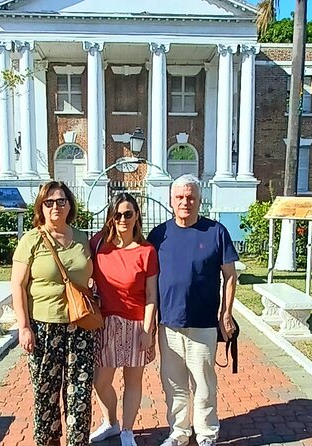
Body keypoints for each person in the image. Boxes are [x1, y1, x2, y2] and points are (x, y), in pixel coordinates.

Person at [147, 174, 239, 446]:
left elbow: (230, 276)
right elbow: (148, 279)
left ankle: (207, 432)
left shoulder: (216, 232)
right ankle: (179, 432)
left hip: (203, 322)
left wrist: (226, 313)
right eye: (180, 197)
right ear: (171, 200)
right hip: (169, 322)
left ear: (199, 200)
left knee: (204, 382)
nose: (185, 202)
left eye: (190, 197)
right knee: (173, 382)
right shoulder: (159, 235)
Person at [10, 181, 95, 446]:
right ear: (41, 207)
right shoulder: (31, 240)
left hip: (80, 325)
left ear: (70, 205)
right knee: (45, 393)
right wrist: (24, 327)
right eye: (49, 202)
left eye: (61, 201)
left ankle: (77, 442)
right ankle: (48, 442)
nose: (56, 206)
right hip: (43, 328)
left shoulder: (82, 238)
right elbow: (18, 285)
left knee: (79, 394)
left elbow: (94, 276)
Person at [89, 193, 159, 446]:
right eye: (117, 214)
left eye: (128, 214)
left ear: (137, 215)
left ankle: (127, 430)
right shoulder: (98, 244)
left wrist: (147, 330)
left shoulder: (146, 251)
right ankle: (110, 423)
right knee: (101, 381)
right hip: (106, 323)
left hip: (136, 322)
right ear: (110, 217)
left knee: (133, 380)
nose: (122, 219)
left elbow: (152, 294)